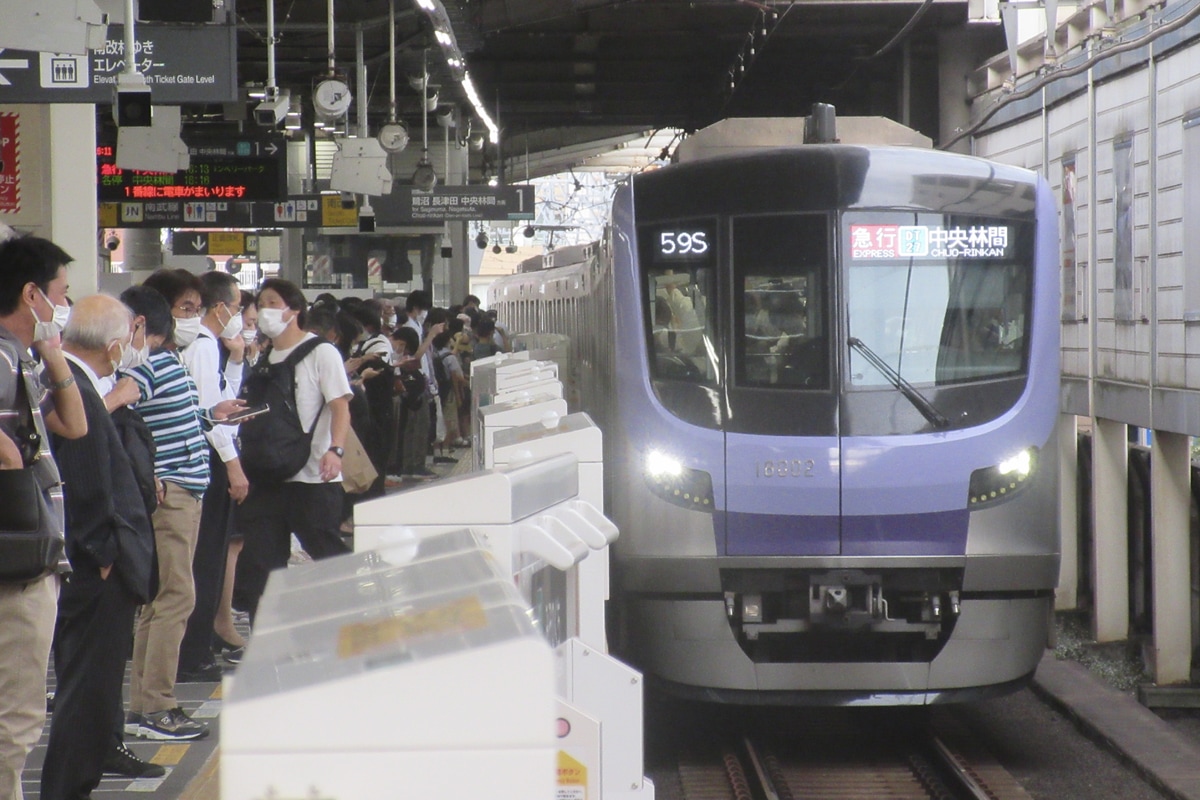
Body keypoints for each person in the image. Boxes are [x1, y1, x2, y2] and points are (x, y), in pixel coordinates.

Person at [39, 295, 159, 798]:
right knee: (88, 694)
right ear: (115, 347)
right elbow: (87, 487)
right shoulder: (79, 395)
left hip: (90, 565)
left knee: (86, 690)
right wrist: (105, 557)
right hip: (97, 570)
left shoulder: (69, 386)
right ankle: (68, 789)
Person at [0, 234, 87, 800]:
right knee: (16, 717)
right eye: (61, 293)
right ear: (32, 294)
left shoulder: (24, 356)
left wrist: (54, 356)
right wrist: (16, 467)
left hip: (30, 554)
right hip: (16, 562)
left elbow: (73, 425)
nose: (66, 303)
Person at [124, 270, 216, 741]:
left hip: (184, 489)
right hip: (173, 493)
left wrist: (208, 415)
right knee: (177, 596)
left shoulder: (168, 362)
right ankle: (157, 706)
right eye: (184, 310)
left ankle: (145, 705)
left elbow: (168, 415)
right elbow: (107, 409)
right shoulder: (149, 365)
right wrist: (149, 473)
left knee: (160, 601)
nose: (192, 319)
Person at [234, 279, 353, 622]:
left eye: (273, 302)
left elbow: (341, 407)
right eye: (261, 303)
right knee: (263, 567)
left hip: (313, 476)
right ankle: (267, 643)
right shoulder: (265, 356)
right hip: (268, 475)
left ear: (295, 310)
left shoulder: (322, 352)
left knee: (328, 555)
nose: (264, 310)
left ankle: (349, 624)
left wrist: (336, 451)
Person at [177, 271, 248, 682]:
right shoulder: (202, 347)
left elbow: (222, 401)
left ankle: (197, 646)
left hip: (209, 458)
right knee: (204, 559)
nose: (238, 316)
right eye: (236, 307)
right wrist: (233, 464)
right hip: (209, 462)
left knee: (205, 556)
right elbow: (210, 415)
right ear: (220, 308)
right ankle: (194, 653)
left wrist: (236, 360)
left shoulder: (207, 348)